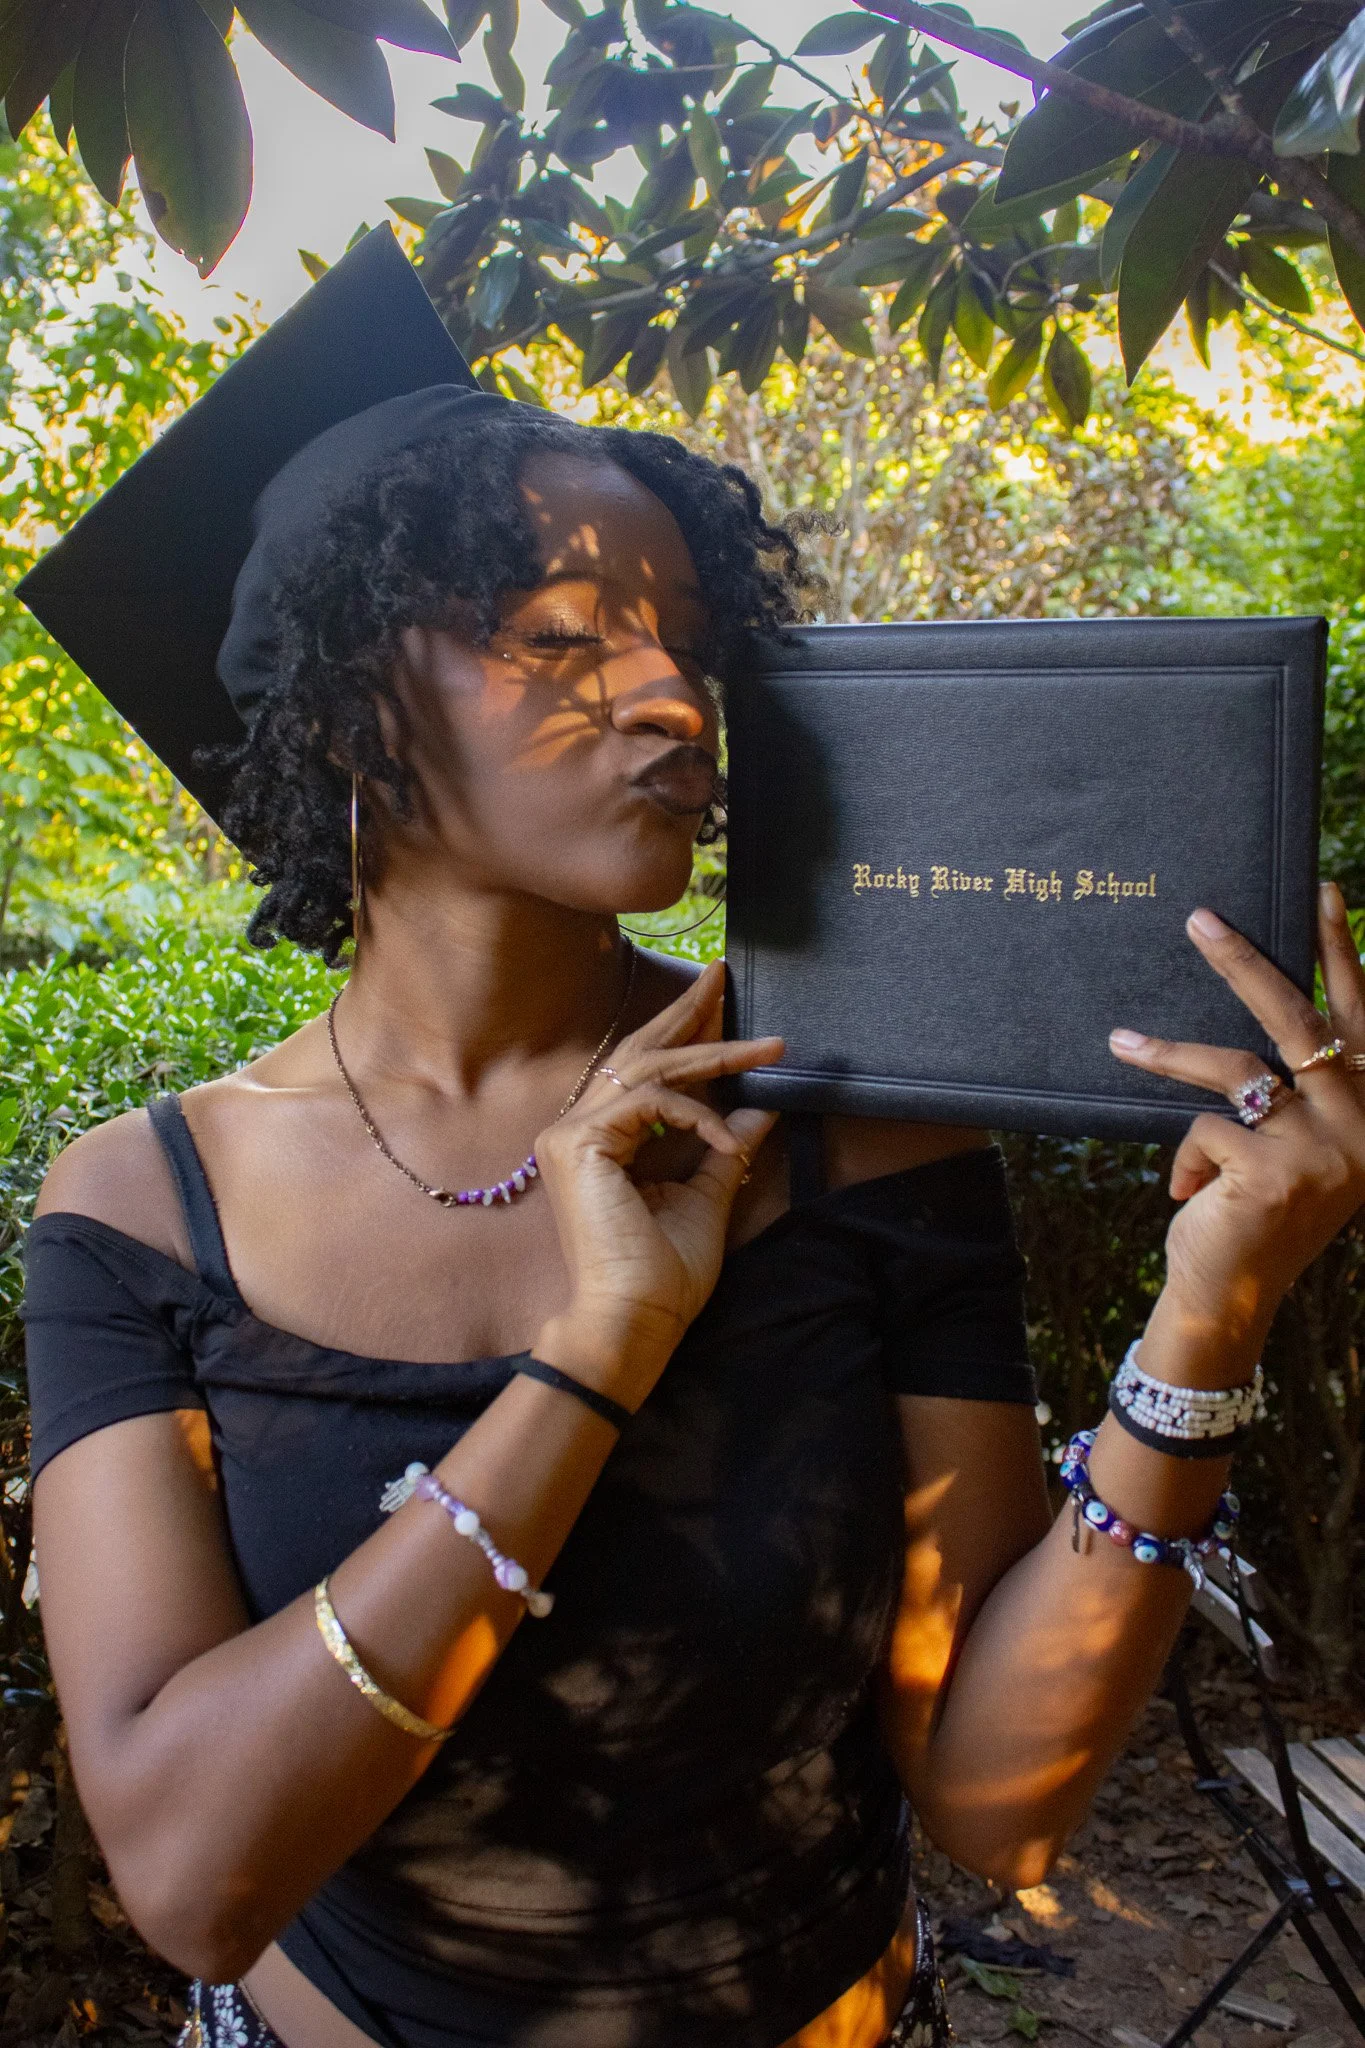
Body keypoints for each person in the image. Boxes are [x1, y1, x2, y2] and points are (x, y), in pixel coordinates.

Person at [17, 231, 1365, 2048]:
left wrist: (1218, 1305)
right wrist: (596, 1356)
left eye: (690, 645)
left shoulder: (857, 1128)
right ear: (353, 708)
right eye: (561, 636)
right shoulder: (145, 1208)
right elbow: (191, 1878)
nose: (670, 698)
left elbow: (996, 1801)